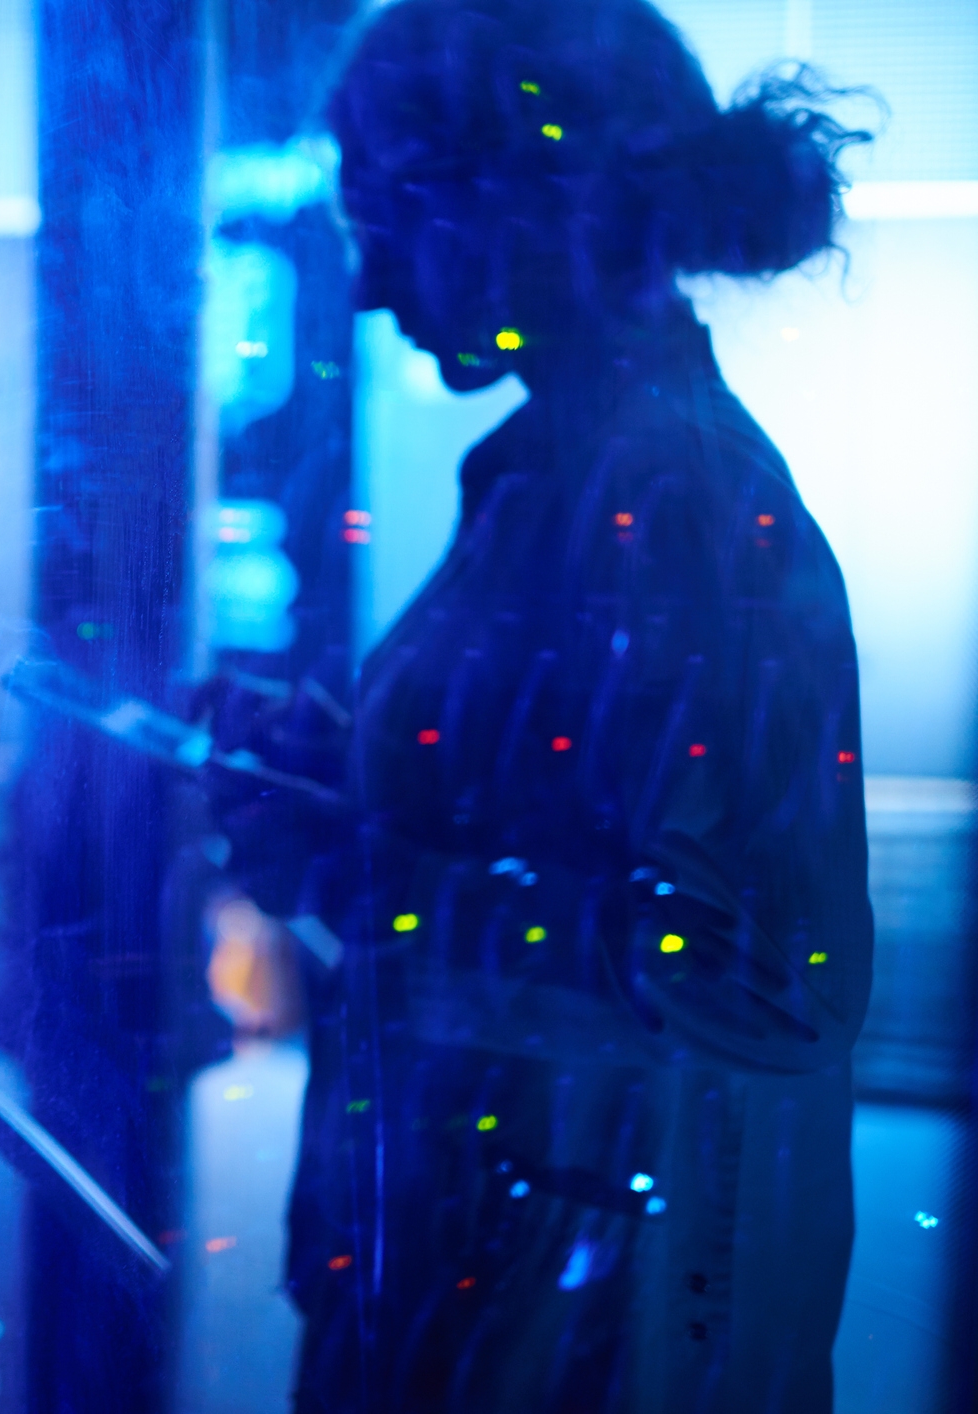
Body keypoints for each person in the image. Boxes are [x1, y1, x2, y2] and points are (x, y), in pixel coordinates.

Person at [211, 1, 875, 1409]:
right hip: (494, 1301)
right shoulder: (567, 480)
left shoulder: (673, 504)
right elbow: (563, 833)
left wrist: (350, 861)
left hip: (576, 1339)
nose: (376, 285)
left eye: (386, 217)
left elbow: (755, 983)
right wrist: (347, 780)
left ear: (525, 205)